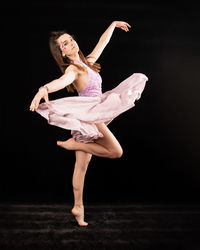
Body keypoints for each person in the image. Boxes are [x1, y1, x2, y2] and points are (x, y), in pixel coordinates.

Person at [30, 21, 148, 226]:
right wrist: (44, 88)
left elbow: (102, 44)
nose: (71, 43)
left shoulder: (88, 63)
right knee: (116, 151)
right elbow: (62, 82)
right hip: (92, 114)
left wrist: (112, 25)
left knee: (81, 167)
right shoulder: (73, 70)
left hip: (91, 114)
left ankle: (78, 207)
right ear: (62, 53)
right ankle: (73, 144)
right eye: (65, 44)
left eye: (71, 39)